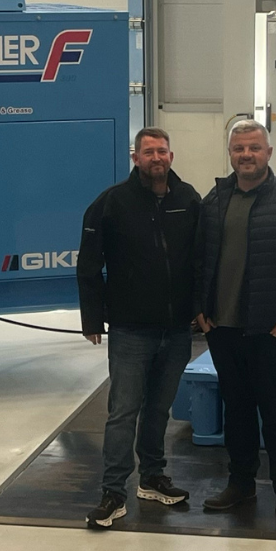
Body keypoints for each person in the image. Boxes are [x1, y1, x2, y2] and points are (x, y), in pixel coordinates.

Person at [194, 119, 276, 527]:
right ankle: (241, 484)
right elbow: (199, 260)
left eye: (253, 148)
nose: (246, 155)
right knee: (237, 412)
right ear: (230, 154)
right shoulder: (215, 199)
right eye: (238, 149)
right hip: (224, 329)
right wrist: (200, 310)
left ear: (268, 152)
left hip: (270, 330)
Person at [76, 126, 203, 529]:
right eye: (148, 152)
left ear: (171, 155)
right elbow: (89, 265)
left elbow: (202, 260)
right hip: (131, 329)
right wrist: (92, 318)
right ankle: (113, 491)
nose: (156, 158)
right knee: (122, 411)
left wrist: (200, 309)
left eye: (162, 151)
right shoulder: (111, 203)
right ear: (135, 158)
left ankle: (152, 477)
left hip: (177, 329)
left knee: (159, 409)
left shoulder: (188, 200)